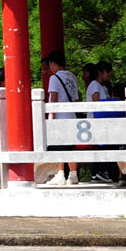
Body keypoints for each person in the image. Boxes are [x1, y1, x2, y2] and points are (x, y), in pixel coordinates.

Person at [42, 49, 81, 185]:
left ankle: (60, 174)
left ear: (53, 63)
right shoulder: (73, 77)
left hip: (60, 116)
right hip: (72, 115)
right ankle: (73, 174)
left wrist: (50, 119)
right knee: (70, 145)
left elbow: (53, 99)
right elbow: (77, 99)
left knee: (60, 145)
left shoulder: (54, 77)